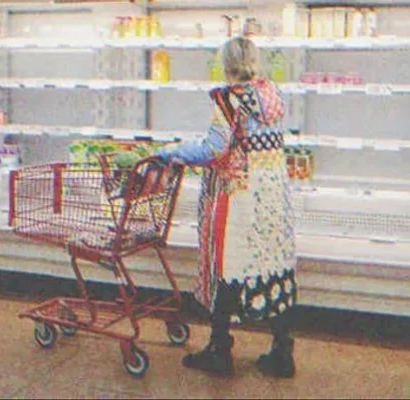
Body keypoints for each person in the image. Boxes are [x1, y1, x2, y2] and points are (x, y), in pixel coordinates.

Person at [155, 36, 297, 378]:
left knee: (227, 266)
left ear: (225, 63)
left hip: (238, 195)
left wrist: (170, 151)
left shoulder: (227, 99)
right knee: (271, 263)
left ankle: (220, 349)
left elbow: (214, 150)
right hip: (272, 194)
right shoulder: (272, 94)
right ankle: (282, 350)